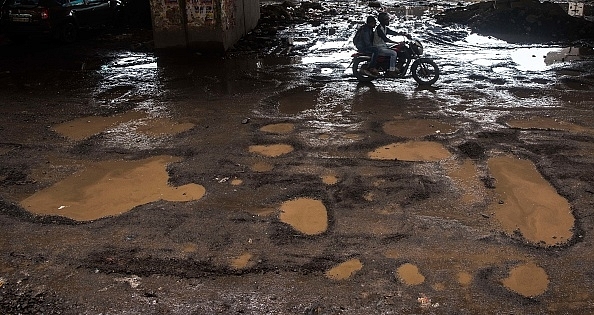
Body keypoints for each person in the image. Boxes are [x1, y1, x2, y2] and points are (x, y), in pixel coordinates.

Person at [373, 12, 412, 77]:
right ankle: (391, 71)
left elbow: (392, 32)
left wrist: (403, 34)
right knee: (393, 53)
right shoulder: (379, 29)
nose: (388, 21)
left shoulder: (384, 28)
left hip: (383, 45)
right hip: (378, 48)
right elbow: (385, 39)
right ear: (382, 20)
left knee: (398, 48)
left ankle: (398, 66)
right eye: (386, 20)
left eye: (388, 19)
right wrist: (396, 42)